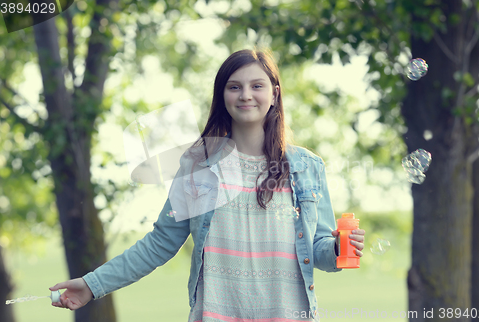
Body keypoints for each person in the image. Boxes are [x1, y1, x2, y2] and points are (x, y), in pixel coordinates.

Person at [50, 48, 365, 321]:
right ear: (222, 95)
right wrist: (93, 285)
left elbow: (320, 252)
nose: (245, 95)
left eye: (257, 85)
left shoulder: (305, 168)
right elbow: (160, 244)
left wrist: (339, 247)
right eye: (234, 86)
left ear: (275, 93)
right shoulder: (201, 165)